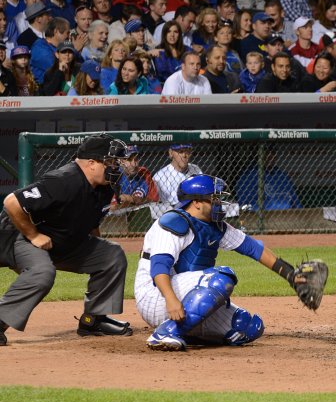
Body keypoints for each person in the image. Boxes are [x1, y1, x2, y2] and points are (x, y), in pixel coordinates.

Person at [135, 174, 314, 351]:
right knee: (220, 279)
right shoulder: (173, 223)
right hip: (156, 295)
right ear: (196, 202)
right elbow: (159, 266)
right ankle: (166, 332)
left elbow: (253, 248)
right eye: (214, 198)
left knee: (246, 326)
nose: (219, 203)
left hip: (181, 295)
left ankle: (186, 331)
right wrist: (171, 300)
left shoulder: (215, 226)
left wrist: (290, 275)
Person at [0, 135, 133, 346]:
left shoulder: (105, 186)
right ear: (91, 163)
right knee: (42, 272)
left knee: (111, 255)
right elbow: (12, 202)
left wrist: (95, 253)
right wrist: (34, 235)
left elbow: (92, 224)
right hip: (21, 237)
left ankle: (93, 321)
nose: (115, 167)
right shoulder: (63, 180)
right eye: (110, 162)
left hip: (61, 241)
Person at [235, 149, 302, 211]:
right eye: (268, 157)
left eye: (274, 157)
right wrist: (262, 210)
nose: (271, 160)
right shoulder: (249, 176)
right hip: (263, 215)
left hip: (287, 215)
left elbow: (295, 200)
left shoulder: (281, 175)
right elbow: (244, 206)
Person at [152, 144, 203, 219]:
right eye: (180, 152)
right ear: (171, 153)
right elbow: (156, 207)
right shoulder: (160, 176)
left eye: (187, 152)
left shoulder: (196, 169)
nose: (184, 155)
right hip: (171, 217)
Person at [113, 145, 159, 210]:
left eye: (136, 159)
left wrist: (131, 199)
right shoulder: (114, 178)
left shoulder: (144, 173)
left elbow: (155, 201)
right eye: (129, 160)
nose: (134, 164)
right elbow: (112, 209)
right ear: (120, 161)